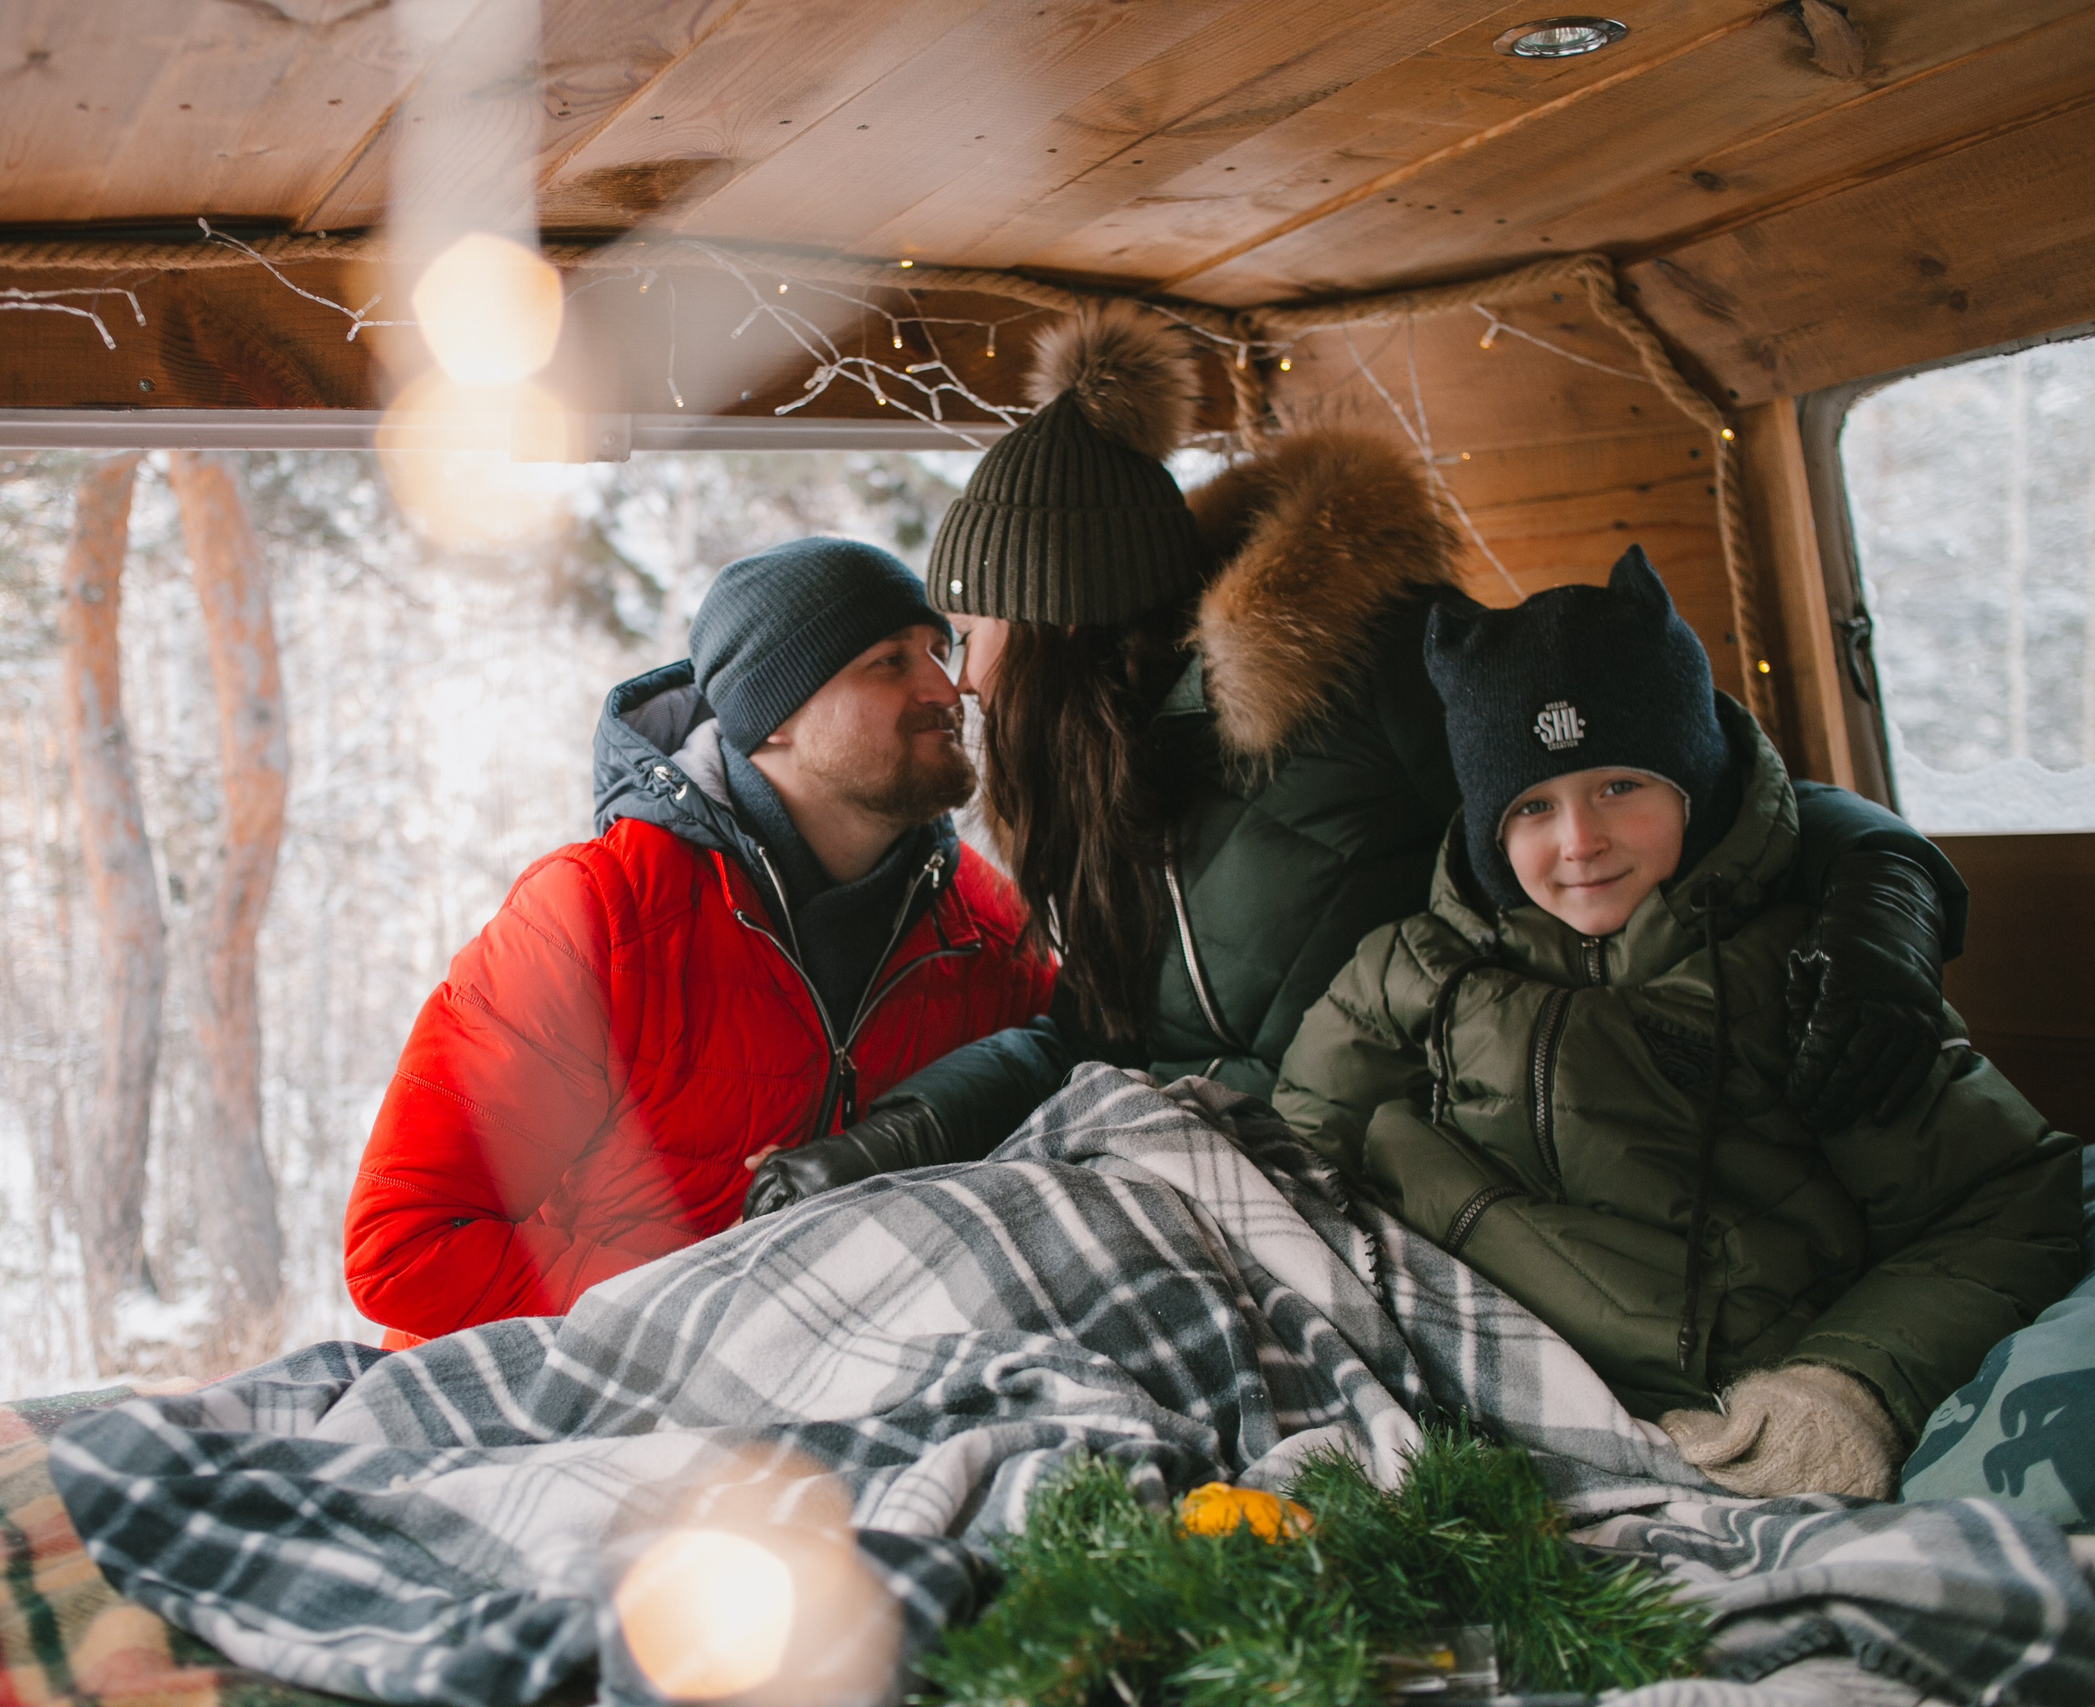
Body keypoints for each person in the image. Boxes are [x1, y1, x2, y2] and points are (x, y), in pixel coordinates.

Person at [743, 302, 1968, 1221]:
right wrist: (887, 1143)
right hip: (1222, 1178)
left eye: (969, 633)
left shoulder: (1366, 668)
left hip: (1442, 1181)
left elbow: (1716, 799)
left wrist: (1882, 920)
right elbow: (1093, 1035)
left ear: (1063, 625)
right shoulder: (1103, 782)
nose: (964, 677)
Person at [1270, 546, 2080, 1497]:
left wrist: (1845, 1383)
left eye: (1620, 785)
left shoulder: (1803, 971)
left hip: (1730, 1419)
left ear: (1693, 787)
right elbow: (1287, 1172)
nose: (1581, 841)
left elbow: (2012, 1202)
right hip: (1467, 1400)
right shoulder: (1403, 971)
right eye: (1533, 805)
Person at [344, 537, 1053, 1341]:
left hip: (835, 1392)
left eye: (938, 648)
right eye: (889, 661)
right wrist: (721, 1309)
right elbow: (402, 1245)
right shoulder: (597, 919)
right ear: (773, 717)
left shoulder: (992, 932)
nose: (948, 686)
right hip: (558, 1392)